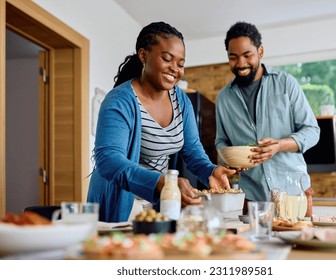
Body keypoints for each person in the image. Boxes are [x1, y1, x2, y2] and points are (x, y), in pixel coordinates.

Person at [88, 21, 235, 222]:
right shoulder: (119, 101)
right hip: (121, 200)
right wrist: (158, 182)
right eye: (167, 59)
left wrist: (210, 171)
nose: (175, 69)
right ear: (143, 55)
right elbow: (108, 160)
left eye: (181, 64)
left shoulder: (181, 100)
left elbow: (191, 149)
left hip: (161, 199)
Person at [215, 22, 320, 216]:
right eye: (233, 57)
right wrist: (229, 159)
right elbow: (222, 140)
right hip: (252, 196)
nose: (240, 64)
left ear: (260, 51)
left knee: (299, 245)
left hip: (294, 193)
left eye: (247, 55)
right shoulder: (224, 98)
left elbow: (312, 131)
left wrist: (279, 145)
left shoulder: (285, 83)